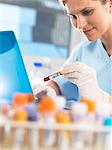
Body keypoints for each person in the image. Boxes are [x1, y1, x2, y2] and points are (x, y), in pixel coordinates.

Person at [34, 0, 112, 103]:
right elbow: (58, 84)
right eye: (73, 16)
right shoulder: (83, 50)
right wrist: (49, 92)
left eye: (87, 11)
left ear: (110, 3)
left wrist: (103, 100)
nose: (80, 25)